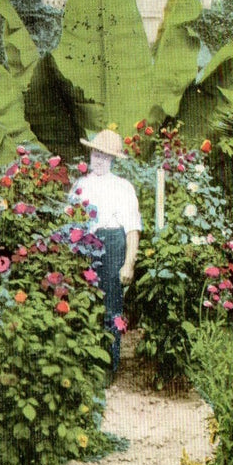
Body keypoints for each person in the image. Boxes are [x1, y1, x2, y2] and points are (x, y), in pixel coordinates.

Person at [73, 129, 141, 378]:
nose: (99, 159)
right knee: (85, 304)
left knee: (111, 307)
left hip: (112, 245)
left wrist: (128, 264)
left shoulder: (123, 187)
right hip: (85, 245)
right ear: (90, 154)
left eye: (105, 156)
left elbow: (133, 229)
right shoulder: (81, 185)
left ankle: (107, 368)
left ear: (113, 159)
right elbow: (72, 222)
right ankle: (86, 365)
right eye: (96, 153)